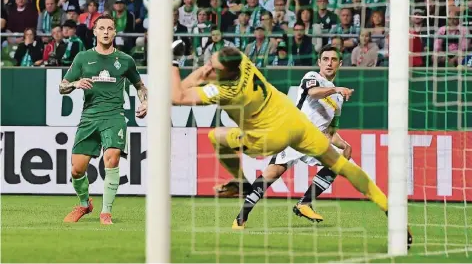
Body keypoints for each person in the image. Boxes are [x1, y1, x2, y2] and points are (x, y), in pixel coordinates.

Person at [170, 45, 412, 249]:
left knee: (216, 135)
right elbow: (205, 72)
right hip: (298, 124)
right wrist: (205, 71)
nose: (209, 69)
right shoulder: (242, 61)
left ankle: (243, 183)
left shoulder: (227, 91)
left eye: (215, 68)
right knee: (344, 167)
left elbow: (178, 97)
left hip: (271, 135)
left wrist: (173, 61)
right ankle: (393, 215)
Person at [236, 45, 350, 224]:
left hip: (315, 140)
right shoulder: (312, 77)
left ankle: (305, 203)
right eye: (325, 59)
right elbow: (313, 93)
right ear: (319, 62)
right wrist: (336, 89)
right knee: (272, 173)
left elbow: (330, 129)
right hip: (295, 135)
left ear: (340, 64)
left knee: (344, 154)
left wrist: (342, 143)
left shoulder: (339, 97)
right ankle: (241, 217)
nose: (329, 63)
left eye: (334, 60)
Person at [60, 14, 148, 225]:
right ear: (95, 31)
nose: (106, 32)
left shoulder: (125, 60)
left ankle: (105, 212)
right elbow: (62, 87)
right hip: (89, 117)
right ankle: (84, 204)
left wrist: (145, 102)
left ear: (115, 32)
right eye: (102, 28)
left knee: (113, 158)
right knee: (77, 169)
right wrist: (75, 83)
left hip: (114, 115)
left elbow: (140, 86)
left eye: (110, 28)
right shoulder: (82, 58)